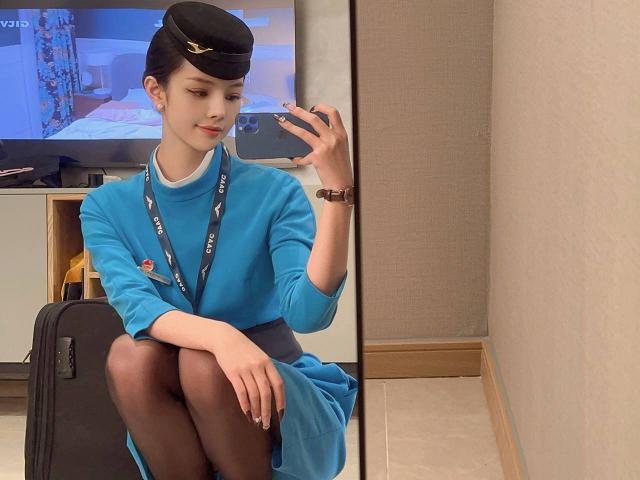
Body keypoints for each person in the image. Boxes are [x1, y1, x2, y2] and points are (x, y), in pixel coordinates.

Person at [78, 2, 358, 479]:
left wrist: (338, 195)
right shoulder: (106, 208)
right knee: (131, 357)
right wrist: (222, 337)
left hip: (275, 383)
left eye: (232, 95)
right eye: (199, 91)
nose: (218, 111)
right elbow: (137, 308)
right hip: (175, 383)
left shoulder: (275, 192)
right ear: (156, 91)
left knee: (203, 367)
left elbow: (308, 315)